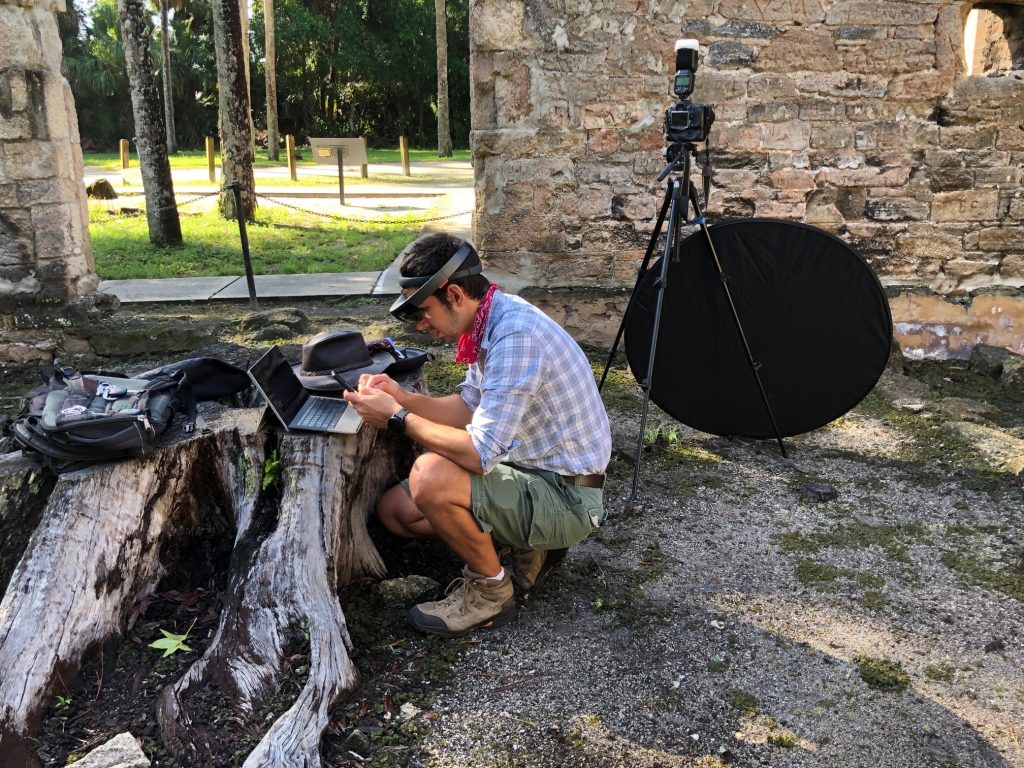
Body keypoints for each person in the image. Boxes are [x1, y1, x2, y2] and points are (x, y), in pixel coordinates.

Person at [343, 232, 611, 637]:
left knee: (430, 476)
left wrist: (397, 417)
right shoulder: (490, 320)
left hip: (567, 496)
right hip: (530, 473)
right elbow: (468, 408)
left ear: (453, 294)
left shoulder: (516, 337)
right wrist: (403, 397)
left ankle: (491, 591)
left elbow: (479, 454)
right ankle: (527, 546)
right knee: (397, 512)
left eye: (422, 309)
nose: (420, 324)